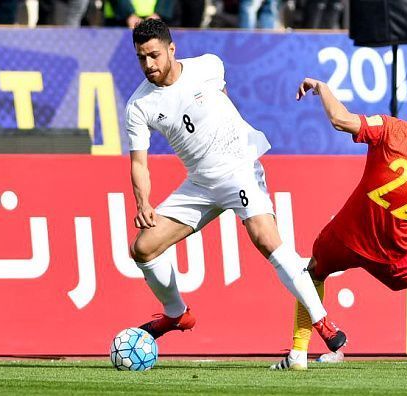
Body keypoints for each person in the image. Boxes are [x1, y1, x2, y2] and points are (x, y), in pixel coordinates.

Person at [125, 19, 347, 354]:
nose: (149, 65)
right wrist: (143, 203)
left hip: (239, 169)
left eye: (154, 55)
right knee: (143, 248)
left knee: (266, 239)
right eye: (142, 58)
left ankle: (322, 322)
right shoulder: (139, 106)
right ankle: (176, 315)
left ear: (172, 49)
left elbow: (223, 99)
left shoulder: (209, 66)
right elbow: (139, 162)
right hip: (199, 184)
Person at [271, 79, 407, 371]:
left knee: (312, 275)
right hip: (394, 245)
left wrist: (322, 87)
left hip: (349, 233)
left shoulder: (392, 128)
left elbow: (339, 119)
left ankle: (297, 354)